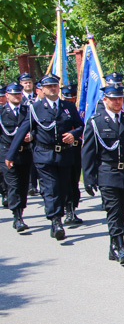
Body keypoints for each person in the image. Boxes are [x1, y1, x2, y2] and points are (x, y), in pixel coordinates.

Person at [5, 75, 84, 241]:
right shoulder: (35, 108)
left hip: (64, 155)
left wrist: (73, 134)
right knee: (51, 188)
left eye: (55, 85)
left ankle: (58, 216)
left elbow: (80, 125)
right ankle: (56, 221)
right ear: (42, 89)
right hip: (44, 155)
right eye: (49, 87)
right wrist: (11, 154)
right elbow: (22, 131)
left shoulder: (68, 107)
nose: (53, 89)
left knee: (63, 189)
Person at [82, 83, 124, 265]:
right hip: (107, 172)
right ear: (105, 100)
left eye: (119, 98)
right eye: (113, 99)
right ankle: (120, 247)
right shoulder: (96, 122)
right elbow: (88, 151)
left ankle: (113, 246)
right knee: (113, 210)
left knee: (120, 211)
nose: (117, 102)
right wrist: (88, 177)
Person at [1, 82, 33, 231]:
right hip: (7, 153)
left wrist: (31, 136)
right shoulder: (1, 112)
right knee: (13, 185)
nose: (17, 96)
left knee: (23, 185)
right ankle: (17, 217)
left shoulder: (28, 111)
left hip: (24, 152)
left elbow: (36, 128)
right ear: (7, 95)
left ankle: (21, 211)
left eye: (19, 94)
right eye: (13, 94)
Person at [60, 84, 83, 226]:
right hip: (63, 149)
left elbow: (80, 126)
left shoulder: (74, 108)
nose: (70, 99)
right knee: (65, 181)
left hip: (75, 148)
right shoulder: (60, 109)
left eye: (73, 96)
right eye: (67, 96)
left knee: (74, 180)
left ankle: (72, 207)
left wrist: (74, 135)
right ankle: (67, 209)